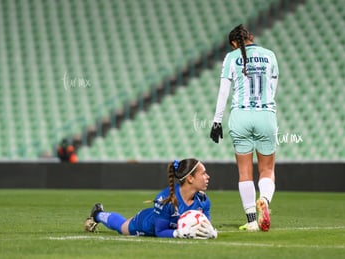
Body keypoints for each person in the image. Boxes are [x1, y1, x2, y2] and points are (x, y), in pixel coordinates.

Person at [210, 24, 279, 232]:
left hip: (240, 115)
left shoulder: (231, 58)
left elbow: (223, 92)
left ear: (233, 43)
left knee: (244, 172)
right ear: (251, 36)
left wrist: (216, 121)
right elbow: (272, 88)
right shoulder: (270, 55)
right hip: (265, 114)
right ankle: (264, 200)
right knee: (267, 169)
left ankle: (251, 221)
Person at [84, 158, 217, 239]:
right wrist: (179, 233)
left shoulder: (204, 201)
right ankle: (97, 214)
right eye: (203, 173)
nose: (208, 177)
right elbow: (160, 232)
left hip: (166, 223)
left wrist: (210, 233)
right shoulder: (165, 198)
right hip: (146, 224)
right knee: (121, 227)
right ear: (190, 178)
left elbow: (205, 226)